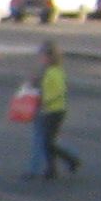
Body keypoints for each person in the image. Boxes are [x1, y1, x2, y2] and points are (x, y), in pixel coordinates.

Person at [28, 42, 81, 179]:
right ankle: (51, 170)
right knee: (48, 142)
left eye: (42, 55)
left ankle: (72, 160)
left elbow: (58, 91)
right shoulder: (48, 70)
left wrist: (44, 100)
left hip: (54, 110)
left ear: (49, 56)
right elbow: (42, 85)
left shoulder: (54, 71)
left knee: (48, 142)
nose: (40, 58)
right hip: (50, 109)